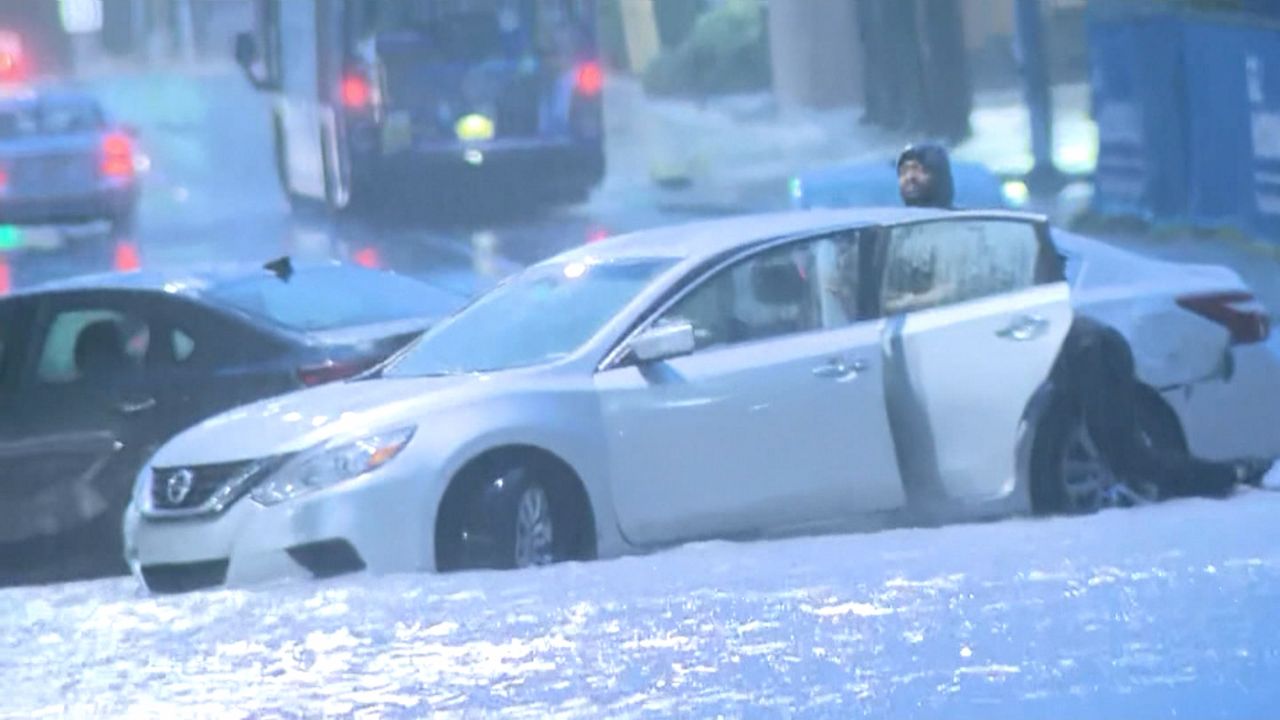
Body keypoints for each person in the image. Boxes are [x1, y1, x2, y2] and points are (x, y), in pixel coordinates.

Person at [894, 143, 1275, 502]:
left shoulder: (971, 233)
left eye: (919, 171)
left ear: (940, 177)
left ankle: (1231, 477)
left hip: (1089, 350)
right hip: (1074, 351)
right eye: (905, 171)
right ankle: (1230, 476)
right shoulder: (920, 235)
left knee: (1128, 458)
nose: (910, 179)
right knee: (1126, 456)